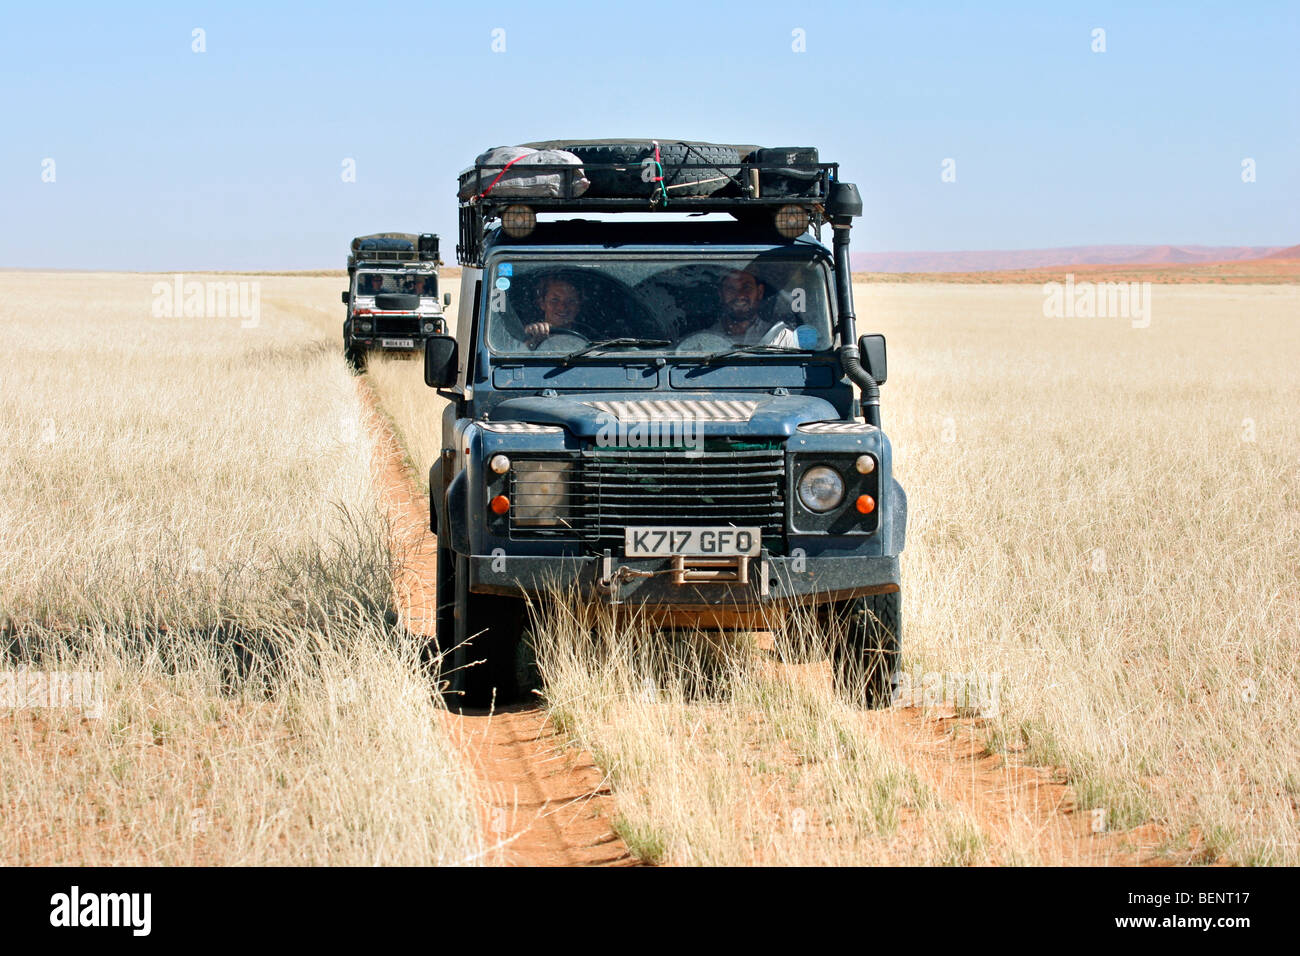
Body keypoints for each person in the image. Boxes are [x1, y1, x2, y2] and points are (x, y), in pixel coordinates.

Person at [708, 268, 797, 347]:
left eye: (747, 287)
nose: (740, 295)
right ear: (720, 294)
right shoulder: (702, 341)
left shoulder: (783, 338)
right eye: (731, 288)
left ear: (759, 292)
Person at [523, 276, 591, 344]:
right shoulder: (530, 333)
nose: (562, 307)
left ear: (578, 306)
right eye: (555, 300)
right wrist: (532, 338)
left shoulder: (590, 335)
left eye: (571, 301)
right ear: (542, 304)